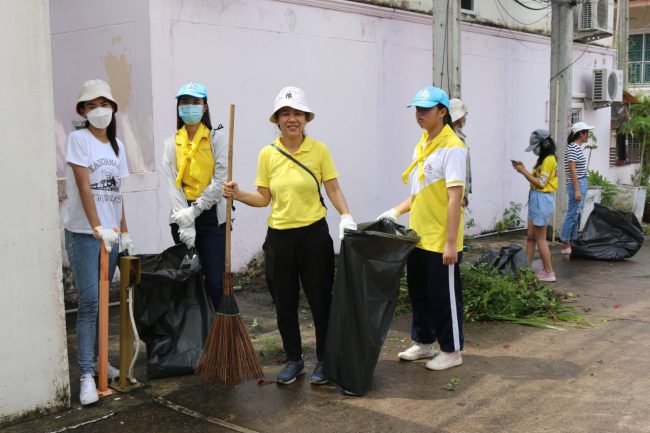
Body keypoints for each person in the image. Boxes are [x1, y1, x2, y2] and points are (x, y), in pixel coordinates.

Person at [223, 86, 357, 385]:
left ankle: (324, 359)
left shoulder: (319, 150)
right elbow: (263, 198)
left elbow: (333, 188)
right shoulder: (268, 154)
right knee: (284, 302)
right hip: (279, 238)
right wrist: (238, 194)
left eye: (298, 113)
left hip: (314, 236)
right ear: (277, 120)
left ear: (306, 119)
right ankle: (294, 359)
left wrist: (346, 215)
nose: (292, 119)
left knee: (320, 300)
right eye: (285, 114)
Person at [377, 86, 466, 371]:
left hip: (441, 238)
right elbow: (419, 194)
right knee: (420, 294)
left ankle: (452, 350)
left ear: (442, 112)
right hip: (418, 236)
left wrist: (450, 243)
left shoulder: (452, 147)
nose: (420, 114)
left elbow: (454, 198)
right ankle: (425, 343)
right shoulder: (424, 143)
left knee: (444, 297)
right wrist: (395, 211)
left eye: (426, 109)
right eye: (417, 109)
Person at [63, 79, 133, 405]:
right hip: (85, 235)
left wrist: (124, 231)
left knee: (105, 303)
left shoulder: (117, 147)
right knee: (90, 303)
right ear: (83, 111)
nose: (98, 110)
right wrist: (96, 227)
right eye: (91, 106)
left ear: (113, 108)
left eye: (103, 104)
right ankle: (87, 375)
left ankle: (101, 360)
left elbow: (118, 194)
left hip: (112, 236)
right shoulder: (79, 140)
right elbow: (83, 187)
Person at [162, 82, 228, 310]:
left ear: (204, 107)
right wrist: (186, 221)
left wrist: (196, 210)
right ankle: (196, 329)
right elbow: (173, 186)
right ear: (178, 108)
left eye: (195, 102)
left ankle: (219, 328)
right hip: (181, 216)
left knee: (215, 282)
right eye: (185, 102)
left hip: (212, 216)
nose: (190, 106)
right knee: (191, 281)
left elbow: (219, 182)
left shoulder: (216, 139)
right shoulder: (171, 144)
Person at [511, 129, 558, 282]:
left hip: (541, 200)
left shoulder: (549, 160)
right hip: (535, 198)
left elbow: (541, 183)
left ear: (544, 144)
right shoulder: (542, 160)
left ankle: (549, 272)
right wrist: (524, 169)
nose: (534, 150)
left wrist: (523, 171)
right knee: (531, 236)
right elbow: (536, 180)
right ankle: (526, 270)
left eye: (536, 147)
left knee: (540, 238)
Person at [560, 122, 593, 255]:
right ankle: (565, 243)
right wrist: (577, 190)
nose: (588, 136)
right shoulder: (573, 148)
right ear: (581, 134)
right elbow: (572, 170)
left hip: (581, 182)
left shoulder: (577, 148)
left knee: (577, 213)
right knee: (572, 214)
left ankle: (572, 241)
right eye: (587, 133)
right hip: (577, 184)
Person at [449, 98, 471, 207]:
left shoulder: (459, 136)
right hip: (453, 198)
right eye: (463, 113)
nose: (465, 116)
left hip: (459, 197)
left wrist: (465, 196)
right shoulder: (451, 138)